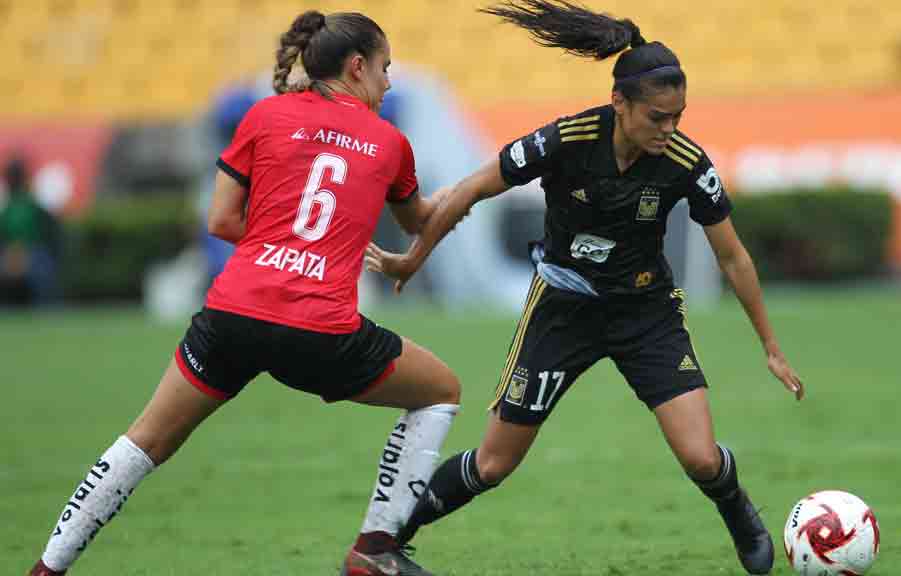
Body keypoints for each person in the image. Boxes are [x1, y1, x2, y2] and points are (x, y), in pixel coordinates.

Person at [364, 1, 805, 574]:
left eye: (678, 116)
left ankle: (738, 511)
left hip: (645, 312)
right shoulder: (566, 140)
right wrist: (412, 259)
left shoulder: (686, 162)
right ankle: (388, 540)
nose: (669, 129)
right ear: (619, 103)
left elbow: (733, 256)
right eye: (657, 117)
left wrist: (770, 345)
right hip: (563, 309)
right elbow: (471, 188)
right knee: (494, 464)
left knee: (700, 457)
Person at [28, 10, 459, 576]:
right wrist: (467, 195)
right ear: (356, 68)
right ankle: (374, 550)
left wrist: (276, 247)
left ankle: (45, 570)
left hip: (234, 311)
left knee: (144, 441)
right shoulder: (389, 142)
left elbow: (221, 220)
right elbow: (417, 220)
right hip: (320, 330)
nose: (389, 82)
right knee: (439, 390)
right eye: (384, 69)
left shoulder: (264, 114)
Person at [0, 154, 61, 306]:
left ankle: (44, 306)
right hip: (10, 254)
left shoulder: (33, 205)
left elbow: (50, 236)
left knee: (41, 267)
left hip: (33, 254)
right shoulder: (8, 207)